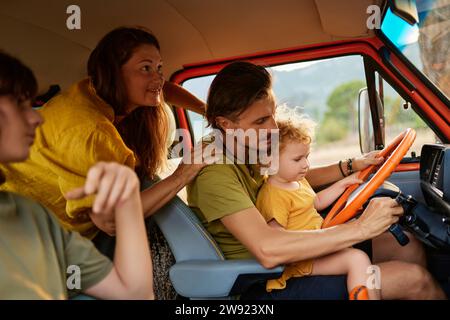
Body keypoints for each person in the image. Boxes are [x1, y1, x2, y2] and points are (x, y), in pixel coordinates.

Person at [187, 61, 446, 299]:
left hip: (298, 254)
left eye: (272, 115)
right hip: (268, 280)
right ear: (226, 124)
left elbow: (288, 178)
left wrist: (348, 168)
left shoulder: (244, 145)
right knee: (415, 280)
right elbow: (268, 249)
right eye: (260, 121)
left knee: (406, 246)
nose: (273, 129)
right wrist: (360, 228)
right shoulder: (215, 171)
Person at [0, 27, 208, 299]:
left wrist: (209, 112)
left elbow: (159, 87)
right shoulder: (93, 132)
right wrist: (184, 174)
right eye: (146, 67)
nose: (38, 118)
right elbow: (110, 223)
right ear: (113, 72)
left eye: (160, 67)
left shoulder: (89, 89)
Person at [0, 51, 153, 299]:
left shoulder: (33, 216)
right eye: (19, 105)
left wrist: (128, 194)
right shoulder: (91, 129)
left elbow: (135, 293)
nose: (36, 118)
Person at [256, 117, 380, 299]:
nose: (306, 164)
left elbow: (317, 202)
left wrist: (344, 184)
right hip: (302, 261)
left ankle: (373, 294)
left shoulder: (297, 182)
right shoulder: (273, 195)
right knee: (358, 259)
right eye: (297, 159)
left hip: (316, 247)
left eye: (306, 157)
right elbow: (278, 243)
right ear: (269, 161)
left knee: (365, 262)